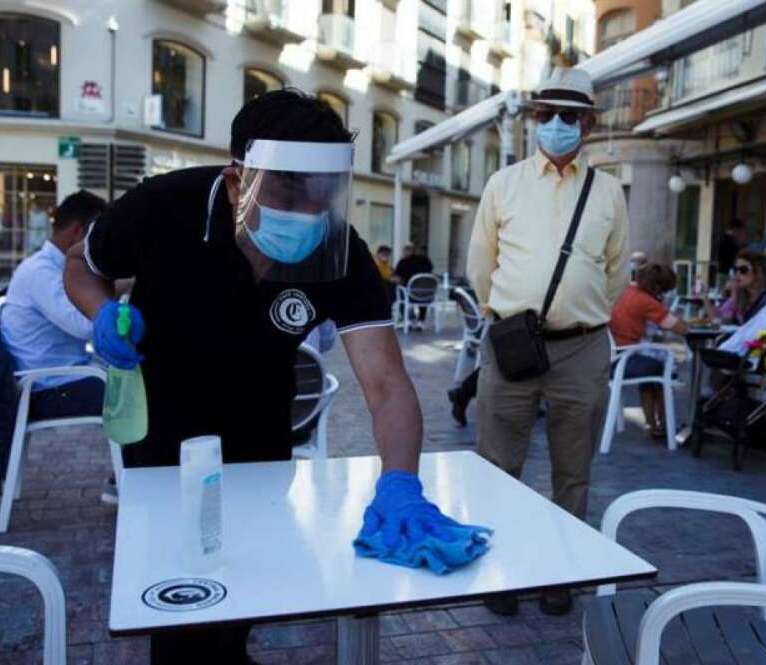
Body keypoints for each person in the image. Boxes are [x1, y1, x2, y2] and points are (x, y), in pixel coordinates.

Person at [63, 89, 479, 664]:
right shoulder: (163, 206)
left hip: (263, 426)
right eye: (288, 189)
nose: (308, 210)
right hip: (164, 430)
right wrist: (101, 313)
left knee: (250, 578)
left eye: (322, 193)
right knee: (181, 604)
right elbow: (82, 266)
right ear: (238, 181)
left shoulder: (337, 248)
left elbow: (386, 384)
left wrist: (401, 482)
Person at [467, 67, 628, 616]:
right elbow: (481, 265)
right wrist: (511, 315)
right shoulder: (503, 184)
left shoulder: (607, 191)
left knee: (573, 470)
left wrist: (575, 313)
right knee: (497, 464)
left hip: (582, 348)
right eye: (546, 114)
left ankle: (557, 572)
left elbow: (616, 271)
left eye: (568, 115)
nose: (556, 124)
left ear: (587, 123)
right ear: (535, 119)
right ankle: (499, 573)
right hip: (513, 342)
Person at [1, 191, 114, 502]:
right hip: (45, 388)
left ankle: (129, 473)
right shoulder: (41, 272)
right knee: (135, 394)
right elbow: (85, 325)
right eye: (95, 233)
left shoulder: (49, 267)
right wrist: (116, 289)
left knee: (132, 379)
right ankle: (127, 478)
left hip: (58, 377)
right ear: (79, 231)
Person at [608, 264, 688, 439]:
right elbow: (681, 328)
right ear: (657, 287)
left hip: (615, 356)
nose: (664, 294)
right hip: (628, 356)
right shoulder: (646, 301)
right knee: (662, 368)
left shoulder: (627, 291)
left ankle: (651, 423)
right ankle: (666, 424)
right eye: (665, 290)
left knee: (651, 370)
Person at [702, 250, 766, 325]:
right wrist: (704, 297)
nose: (738, 273)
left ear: (759, 271)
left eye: (743, 270)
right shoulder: (739, 294)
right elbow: (719, 319)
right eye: (735, 270)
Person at [395, 243, 434, 329]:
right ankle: (421, 321)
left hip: (410, 295)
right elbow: (430, 272)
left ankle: (407, 320)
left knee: (400, 291)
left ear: (405, 251)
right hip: (427, 295)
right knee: (423, 291)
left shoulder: (403, 262)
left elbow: (397, 277)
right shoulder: (425, 260)